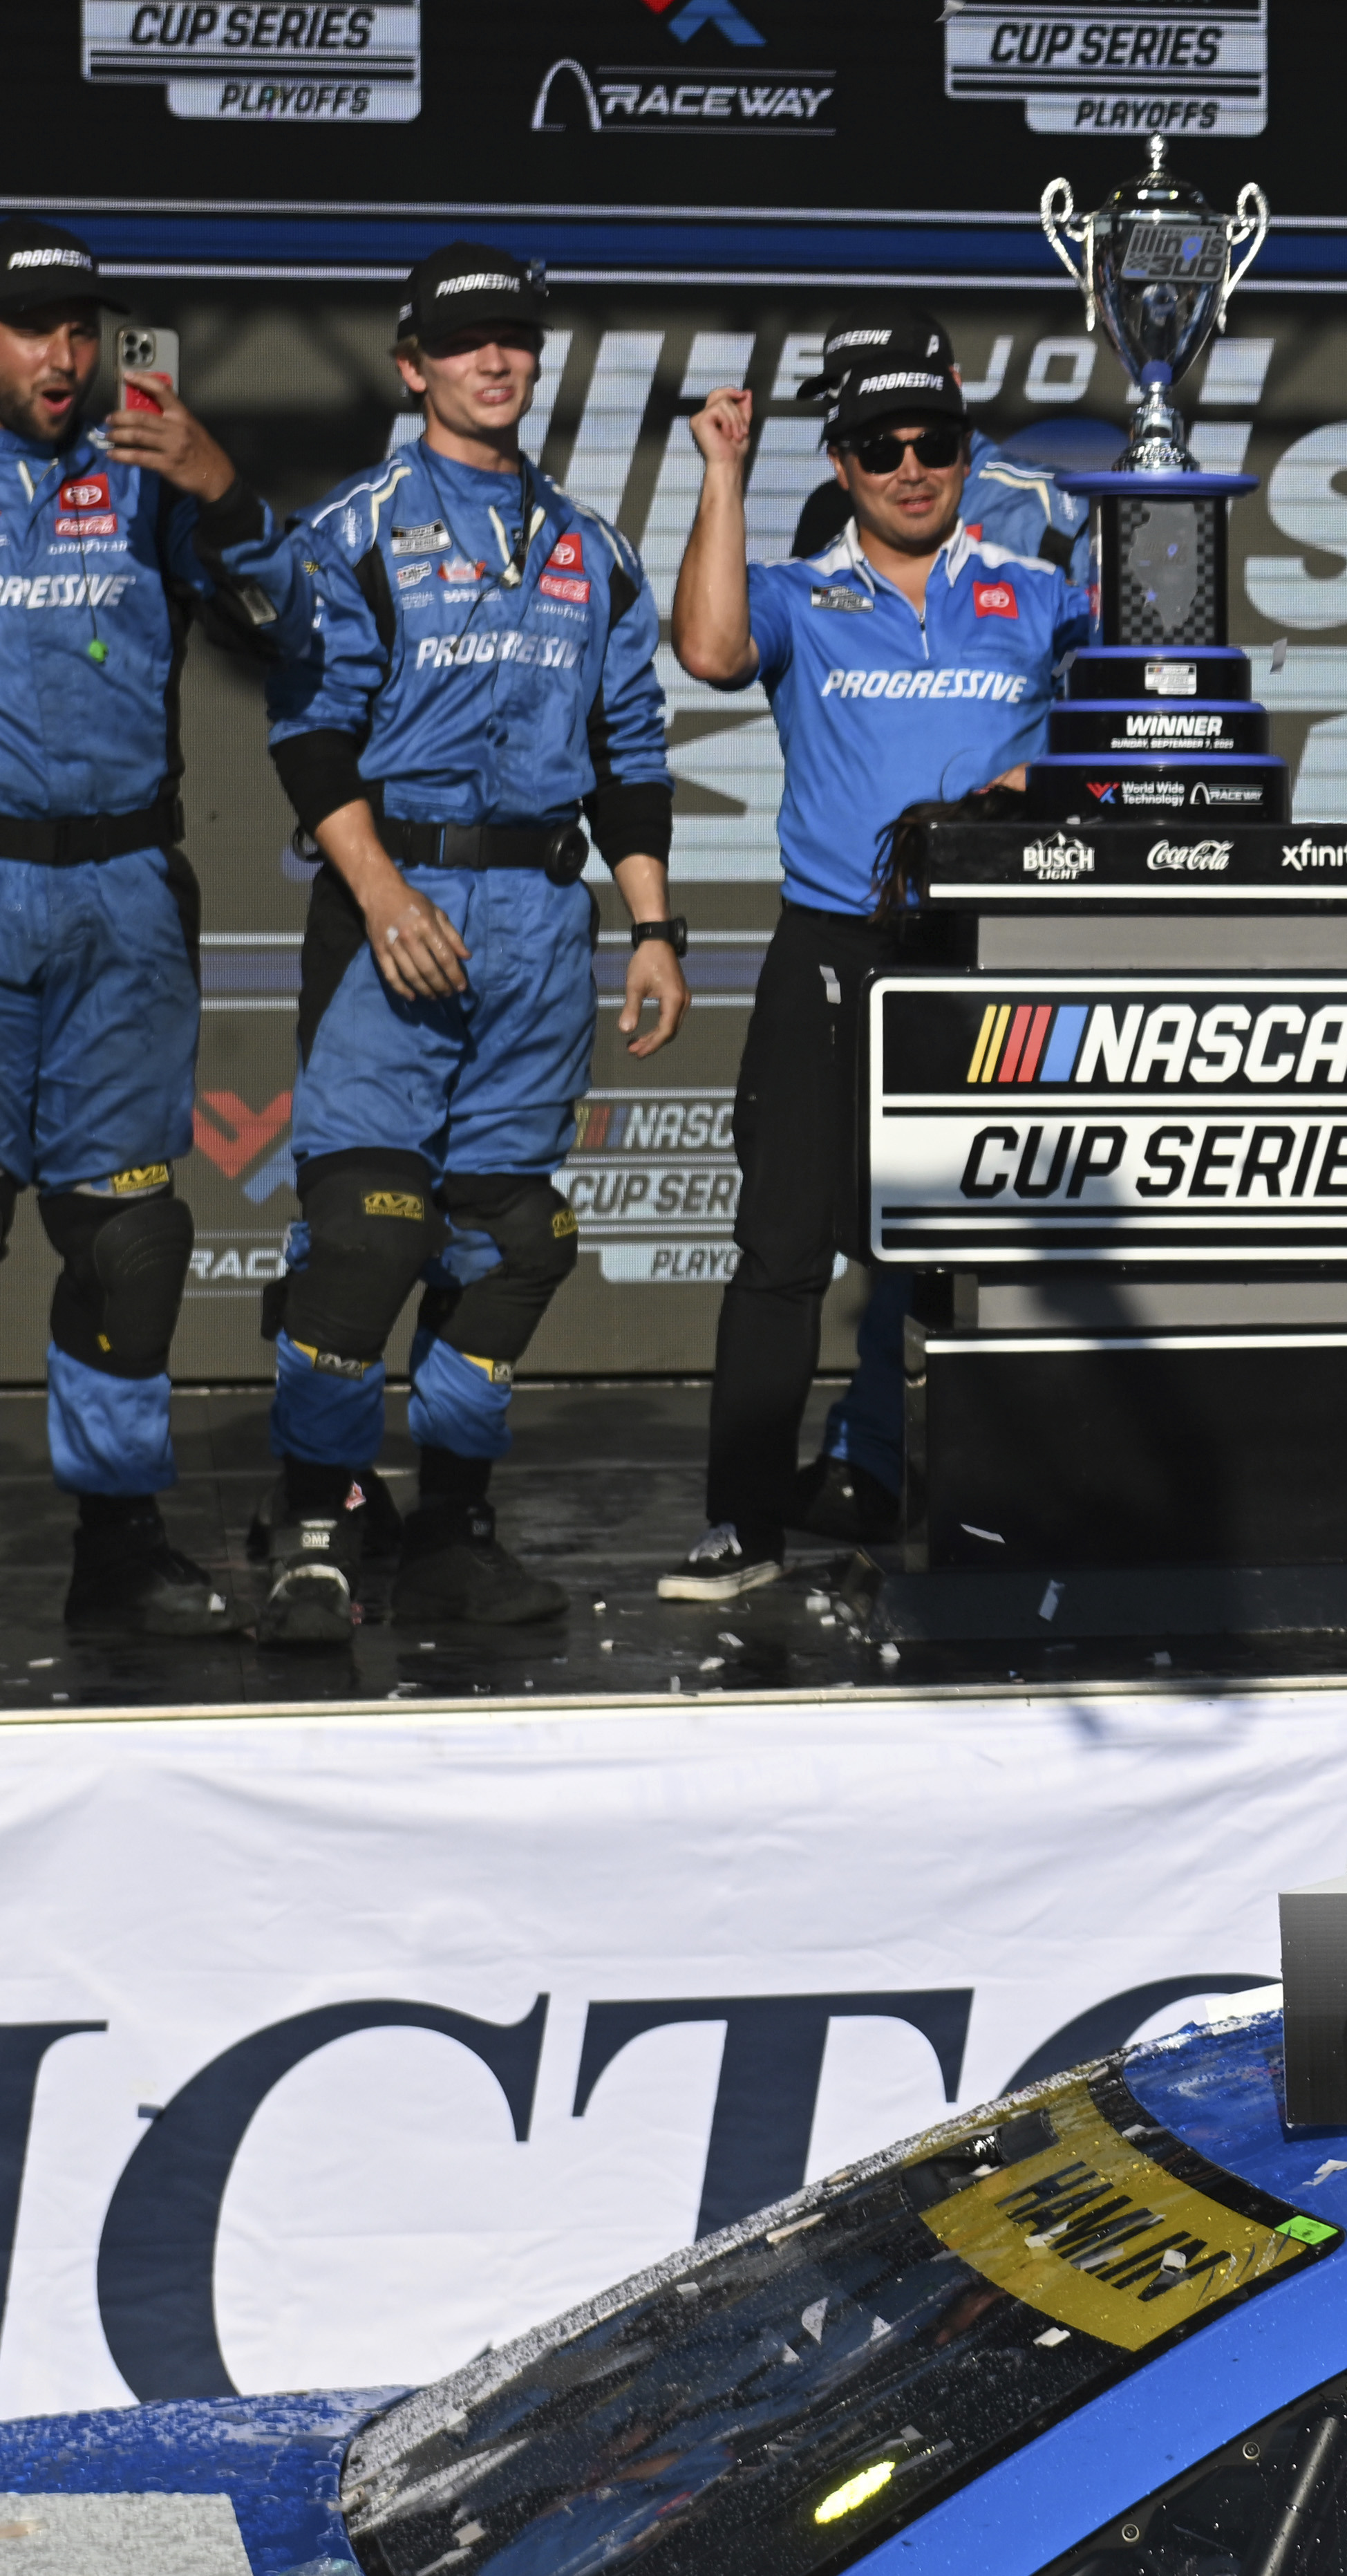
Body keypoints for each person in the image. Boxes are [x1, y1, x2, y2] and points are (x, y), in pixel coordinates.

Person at [254, 245, 688, 1643]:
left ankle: (453, 1526)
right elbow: (311, 736)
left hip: (541, 925)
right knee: (370, 1235)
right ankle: (315, 1524)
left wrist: (655, 930)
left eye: (514, 339)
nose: (494, 361)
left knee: (511, 1239)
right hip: (400, 905)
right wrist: (382, 896)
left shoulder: (593, 546)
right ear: (412, 365)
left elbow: (630, 754)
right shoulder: (358, 528)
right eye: (464, 342)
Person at [659, 349, 1089, 1600]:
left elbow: (1143, 728)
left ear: (968, 455)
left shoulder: (1042, 589)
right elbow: (708, 649)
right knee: (784, 1248)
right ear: (841, 465)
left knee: (988, 1248)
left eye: (935, 446)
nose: (913, 470)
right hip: (833, 950)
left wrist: (1030, 787)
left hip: (988, 954)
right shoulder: (798, 589)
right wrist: (725, 473)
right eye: (882, 449)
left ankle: (994, 1516)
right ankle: (742, 1524)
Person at [0, 214, 292, 1657]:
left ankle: (119, 1542)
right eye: (33, 327)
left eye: (82, 328)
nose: (65, 356)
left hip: (124, 899)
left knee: (131, 1239)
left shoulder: (149, 475)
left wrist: (227, 495)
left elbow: (301, 628)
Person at [775, 315, 1093, 1550]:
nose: (897, 455)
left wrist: (1033, 783)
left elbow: (1129, 687)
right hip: (873, 911)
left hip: (1019, 911)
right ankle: (871, 1450)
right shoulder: (833, 528)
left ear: (953, 402)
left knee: (1013, 1198)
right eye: (860, 424)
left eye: (918, 428)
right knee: (887, 1204)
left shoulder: (1047, 514)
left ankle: (1016, 1459)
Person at [788, 316, 1091, 570]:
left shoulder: (1052, 506)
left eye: (881, 382)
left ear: (951, 385)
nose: (857, 405)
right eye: (838, 393)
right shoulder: (824, 512)